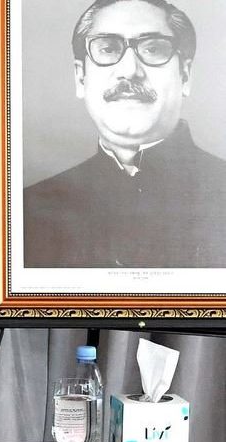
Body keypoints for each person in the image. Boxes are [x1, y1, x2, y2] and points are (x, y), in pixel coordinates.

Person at [24, 0, 226, 268]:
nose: (130, 71)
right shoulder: (26, 211)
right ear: (81, 79)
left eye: (153, 49)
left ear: (185, 76)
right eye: (108, 48)